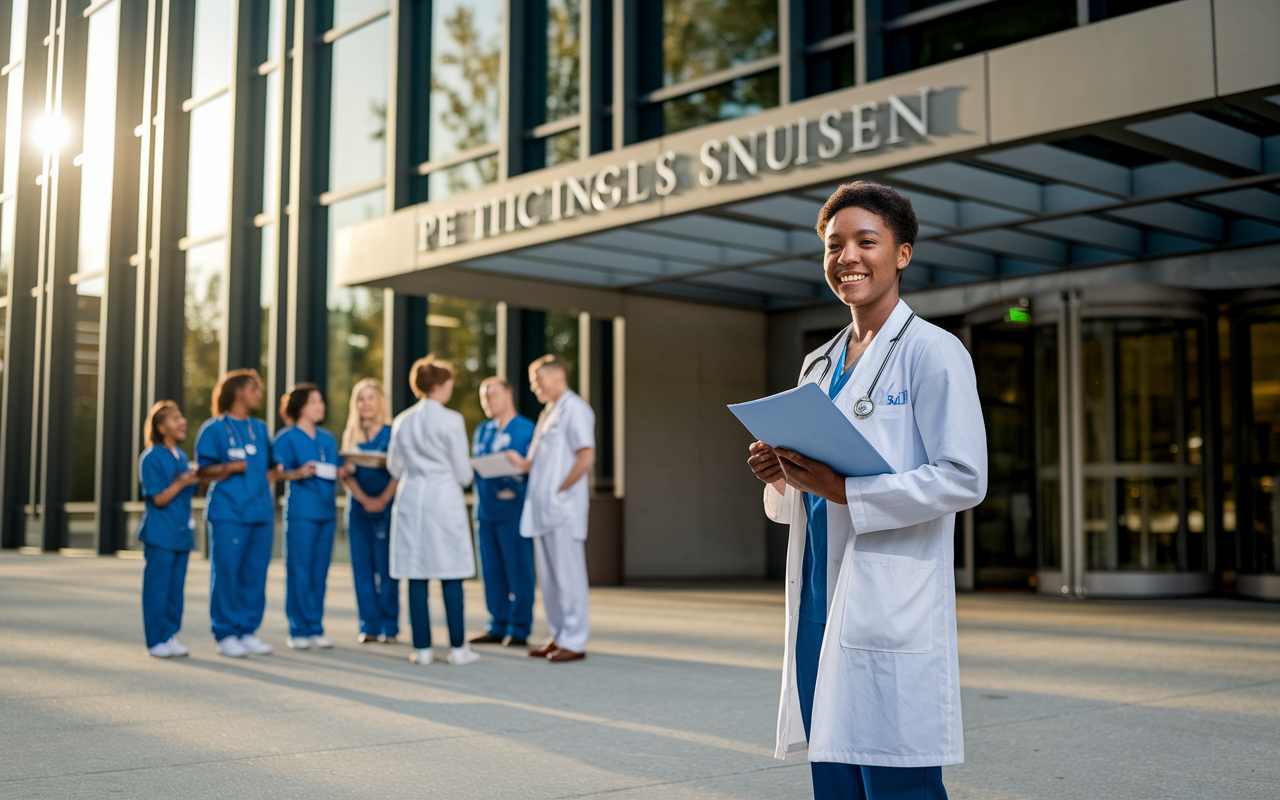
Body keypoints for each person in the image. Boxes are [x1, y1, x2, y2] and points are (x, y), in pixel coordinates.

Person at [746, 181, 987, 800]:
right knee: (835, 779)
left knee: (896, 782)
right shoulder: (818, 364)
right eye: (834, 245)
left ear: (902, 254)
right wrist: (783, 476)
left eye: (865, 242)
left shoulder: (934, 352)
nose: (846, 256)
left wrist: (848, 490)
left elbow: (965, 476)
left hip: (889, 601)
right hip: (818, 608)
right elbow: (807, 493)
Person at [387, 356, 480, 666]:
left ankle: (423, 650)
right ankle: (457, 648)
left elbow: (393, 466)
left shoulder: (402, 420)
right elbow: (464, 474)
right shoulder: (451, 420)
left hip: (412, 498)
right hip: (443, 499)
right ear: (440, 385)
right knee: (451, 571)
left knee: (416, 573)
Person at [504, 356, 595, 663]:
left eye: (536, 379)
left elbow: (585, 457)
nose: (533, 387)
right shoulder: (549, 413)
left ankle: (575, 640)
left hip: (563, 510)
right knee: (552, 581)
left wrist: (558, 491)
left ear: (556, 377)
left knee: (569, 578)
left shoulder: (576, 410)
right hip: (543, 511)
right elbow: (538, 463)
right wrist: (520, 463)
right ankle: (558, 636)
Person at [195, 369, 277, 658]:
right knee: (227, 573)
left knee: (255, 575)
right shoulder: (213, 429)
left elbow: (270, 469)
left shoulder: (260, 428)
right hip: (228, 513)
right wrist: (229, 467)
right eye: (255, 388)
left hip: (261, 514)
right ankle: (226, 633)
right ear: (239, 391)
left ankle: (247, 630)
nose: (259, 393)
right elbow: (202, 472)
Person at [468, 377, 536, 648]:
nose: (487, 401)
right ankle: (496, 624)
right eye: (483, 396)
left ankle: (518, 628)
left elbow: (533, 468)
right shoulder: (482, 430)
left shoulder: (526, 429)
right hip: (486, 511)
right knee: (491, 571)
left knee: (518, 569)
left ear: (508, 393)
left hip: (513, 511)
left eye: (492, 394)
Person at [273, 384, 341, 650]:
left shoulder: (328, 438)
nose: (320, 406)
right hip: (302, 512)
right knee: (299, 570)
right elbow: (278, 472)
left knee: (319, 572)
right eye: (314, 401)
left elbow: (335, 469)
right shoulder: (286, 437)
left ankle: (315, 627)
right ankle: (298, 629)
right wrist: (296, 473)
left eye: (321, 401)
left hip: (326, 511)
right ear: (301, 406)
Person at [137, 400, 200, 658]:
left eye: (180, 416)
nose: (182, 422)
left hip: (180, 534)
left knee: (175, 590)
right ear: (161, 427)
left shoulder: (181, 456)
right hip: (160, 535)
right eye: (175, 419)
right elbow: (159, 498)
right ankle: (155, 640)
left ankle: (170, 635)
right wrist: (184, 480)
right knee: (157, 589)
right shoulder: (151, 457)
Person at [341, 378, 399, 643]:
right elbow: (345, 474)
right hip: (359, 509)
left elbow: (399, 472)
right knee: (362, 570)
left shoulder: (393, 432)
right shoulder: (351, 434)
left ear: (381, 402)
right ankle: (369, 626)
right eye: (360, 399)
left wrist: (383, 500)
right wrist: (364, 499)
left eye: (370, 397)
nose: (365, 404)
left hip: (387, 509)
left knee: (388, 569)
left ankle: (390, 626)